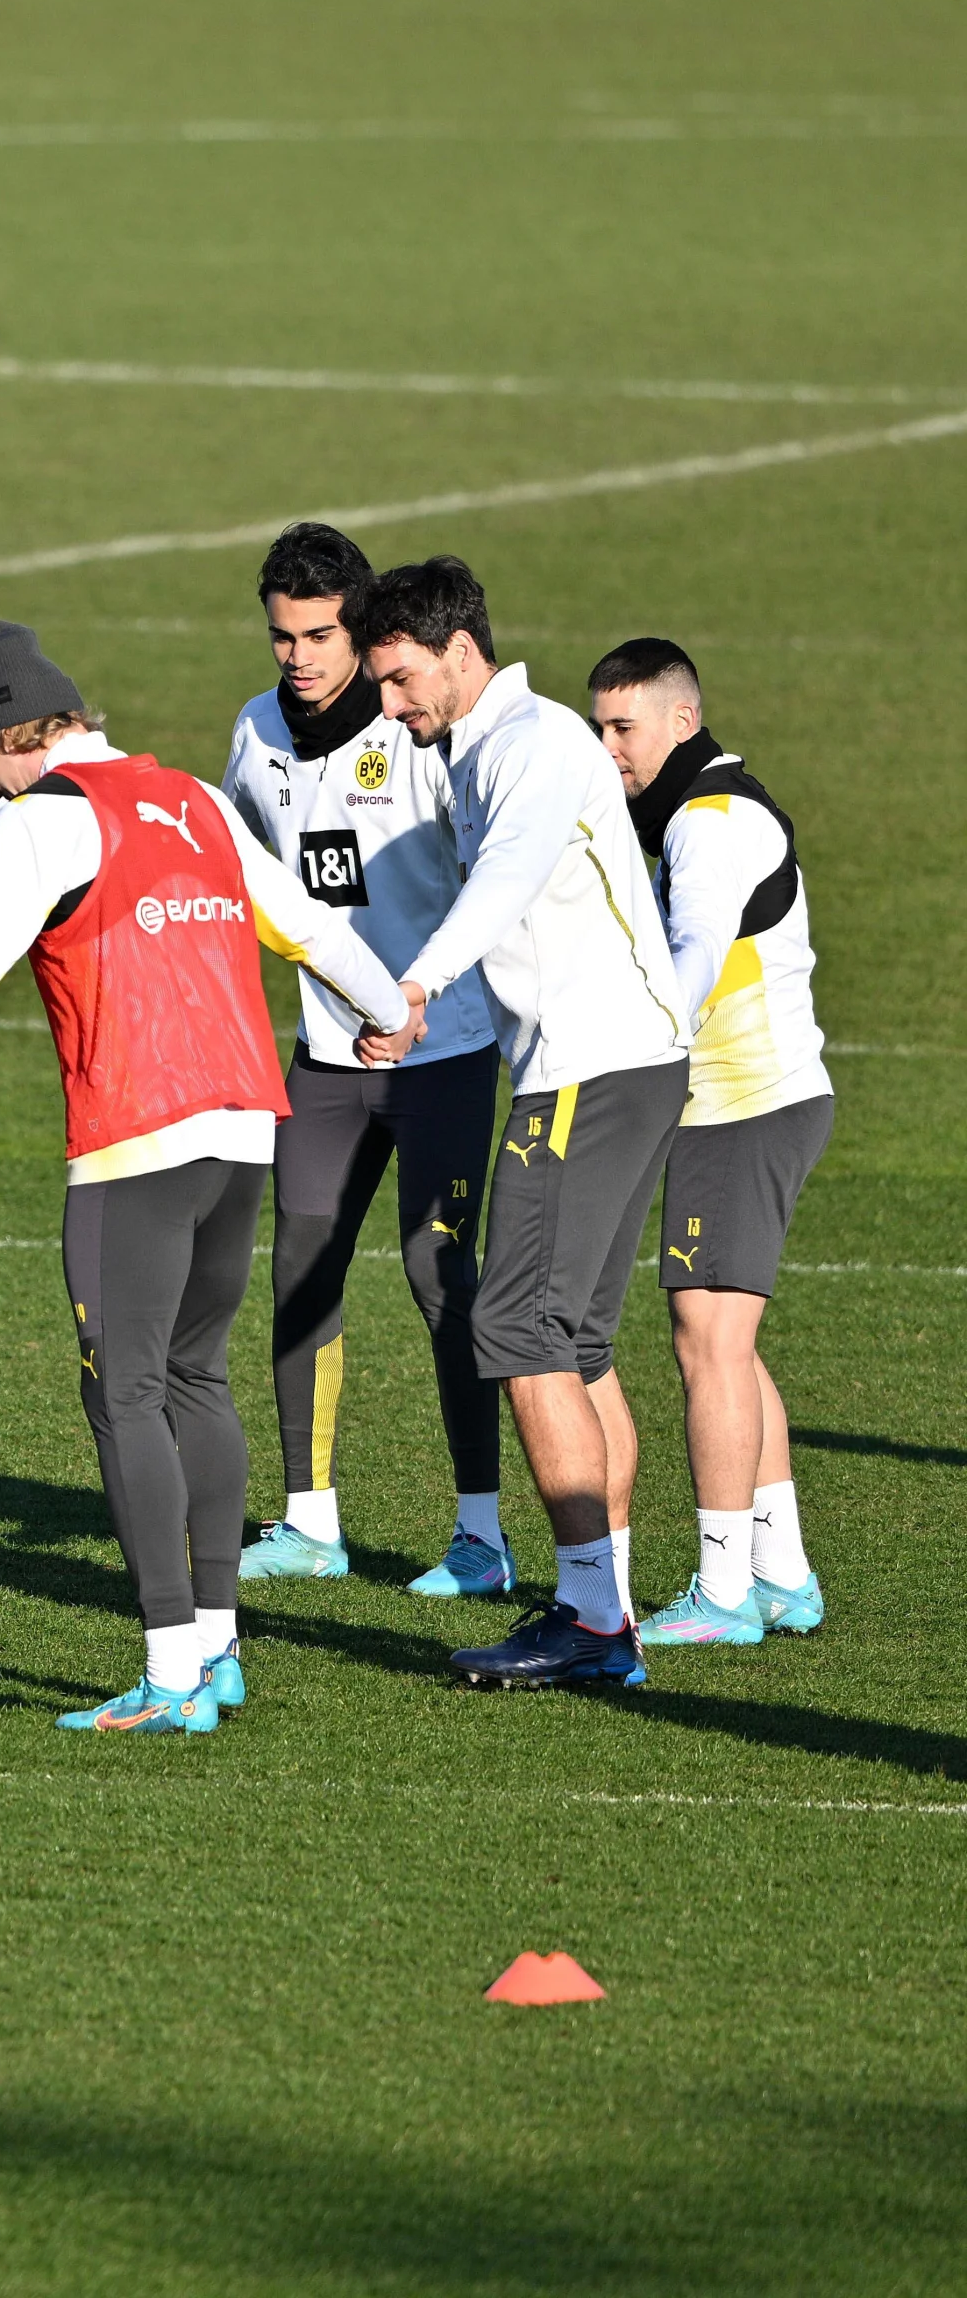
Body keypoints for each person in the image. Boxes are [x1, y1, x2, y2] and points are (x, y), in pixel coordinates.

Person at [0, 624, 405, 1733]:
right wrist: (387, 1007)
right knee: (197, 1378)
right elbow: (307, 927)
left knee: (121, 1392)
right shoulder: (196, 803)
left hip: (137, 1138)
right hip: (241, 1128)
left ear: (6, 738)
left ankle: (170, 1671)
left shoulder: (41, 826)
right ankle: (214, 1652)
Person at [352, 560, 694, 1693]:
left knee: (516, 1327)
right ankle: (607, 1609)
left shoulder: (535, 744)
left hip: (588, 1072)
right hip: (610, 1063)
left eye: (400, 679)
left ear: (457, 651)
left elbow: (503, 881)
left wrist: (411, 989)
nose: (390, 706)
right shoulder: (479, 749)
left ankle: (592, 1619)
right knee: (576, 1343)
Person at [214, 525, 512, 1596]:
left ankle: (481, 1532)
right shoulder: (253, 732)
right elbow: (233, 871)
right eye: (283, 635)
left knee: (441, 1276)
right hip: (328, 1060)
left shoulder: (421, 736)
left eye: (321, 634)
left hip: (446, 1048)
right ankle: (310, 1522)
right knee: (301, 1266)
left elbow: (492, 878)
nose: (298, 656)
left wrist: (445, 996)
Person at [586, 638, 833, 1646]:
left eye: (623, 728)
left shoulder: (712, 823)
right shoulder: (694, 809)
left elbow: (689, 959)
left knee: (708, 1344)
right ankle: (783, 1575)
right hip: (738, 1105)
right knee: (726, 1344)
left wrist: (631, 1057)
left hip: (745, 1107)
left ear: (682, 720)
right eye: (600, 726)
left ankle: (725, 1593)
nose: (609, 749)